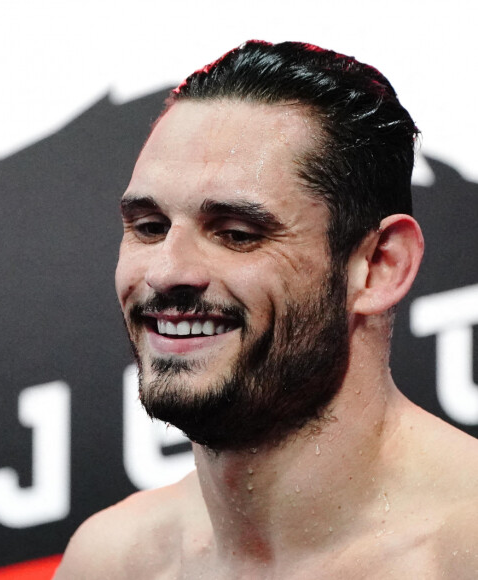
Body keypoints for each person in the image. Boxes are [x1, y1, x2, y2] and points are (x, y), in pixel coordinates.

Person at [54, 40, 478, 579]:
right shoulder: (112, 560)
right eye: (149, 228)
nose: (165, 272)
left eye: (236, 234)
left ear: (378, 266)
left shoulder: (462, 551)